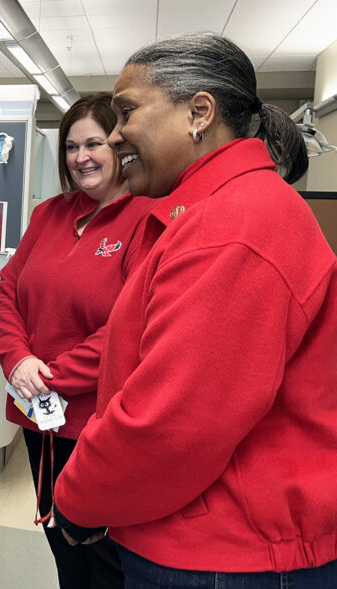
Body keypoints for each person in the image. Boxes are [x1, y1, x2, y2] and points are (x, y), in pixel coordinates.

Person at [53, 32, 337, 586]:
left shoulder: (232, 227)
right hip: (208, 535)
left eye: (127, 111)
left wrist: (79, 497)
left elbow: (172, 424)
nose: (114, 137)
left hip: (226, 553)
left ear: (198, 113)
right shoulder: (207, 213)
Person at [0, 93, 158, 588]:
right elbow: (7, 290)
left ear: (121, 147)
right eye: (70, 146)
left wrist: (51, 377)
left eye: (95, 143)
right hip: (37, 412)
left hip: (96, 419)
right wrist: (17, 360)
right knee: (59, 537)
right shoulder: (49, 214)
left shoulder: (146, 218)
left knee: (99, 550)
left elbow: (133, 323)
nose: (81, 156)